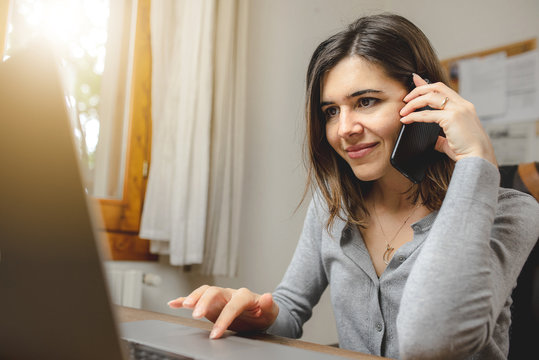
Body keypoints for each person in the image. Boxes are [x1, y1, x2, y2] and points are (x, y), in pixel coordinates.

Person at [167, 13, 539, 359]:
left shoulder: (511, 211)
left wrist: (475, 159)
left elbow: (432, 340)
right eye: (331, 111)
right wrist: (256, 312)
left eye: (366, 101)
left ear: (426, 101)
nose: (344, 129)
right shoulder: (333, 206)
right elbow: (290, 311)